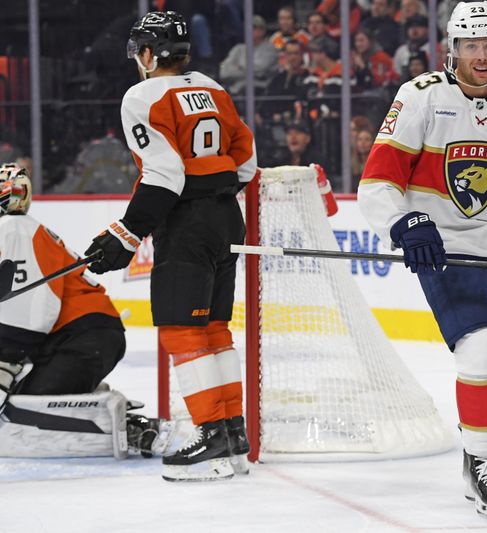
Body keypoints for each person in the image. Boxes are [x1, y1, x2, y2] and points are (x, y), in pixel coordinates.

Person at [358, 1, 487, 522]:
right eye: (470, 45)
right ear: (451, 50)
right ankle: (478, 461)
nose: (481, 55)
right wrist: (406, 222)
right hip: (444, 247)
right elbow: (379, 181)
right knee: (483, 346)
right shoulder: (420, 97)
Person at [83, 11, 257, 482]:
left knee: (182, 331)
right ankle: (231, 430)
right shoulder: (214, 88)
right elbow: (246, 160)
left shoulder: (141, 95)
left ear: (146, 54)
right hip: (226, 218)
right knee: (215, 327)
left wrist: (127, 232)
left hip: (187, 222)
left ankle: (210, 434)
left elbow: (164, 174)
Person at [0, 163, 168, 460]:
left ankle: (129, 428)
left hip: (83, 337)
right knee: (25, 395)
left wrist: (7, 356)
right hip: (86, 337)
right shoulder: (21, 228)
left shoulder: (13, 228)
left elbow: (36, 311)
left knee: (23, 406)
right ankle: (112, 413)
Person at [219, 15, 280, 95]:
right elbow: (224, 73)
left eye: (253, 27)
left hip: (258, 93)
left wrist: (239, 66)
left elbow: (259, 71)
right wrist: (245, 69)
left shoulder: (269, 49)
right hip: (233, 93)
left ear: (262, 30)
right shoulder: (238, 49)